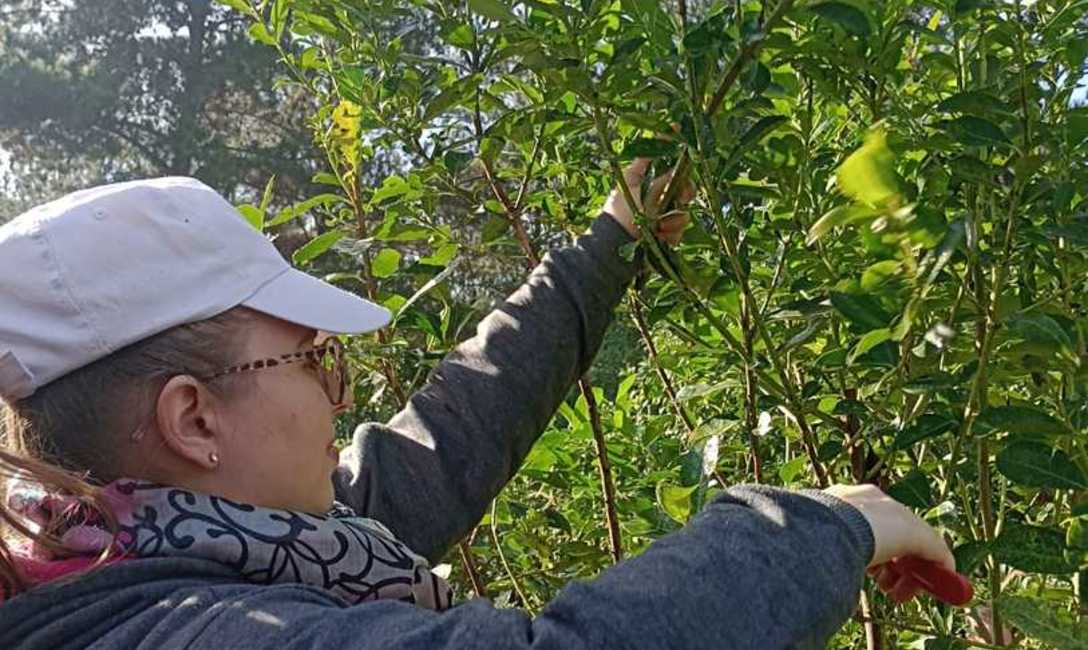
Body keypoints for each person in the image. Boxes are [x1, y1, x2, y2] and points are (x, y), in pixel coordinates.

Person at [0, 161, 953, 649]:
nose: (340, 394)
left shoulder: (153, 548)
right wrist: (816, 527)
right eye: (313, 361)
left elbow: (448, 437)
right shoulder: (194, 635)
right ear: (194, 420)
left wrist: (610, 244)